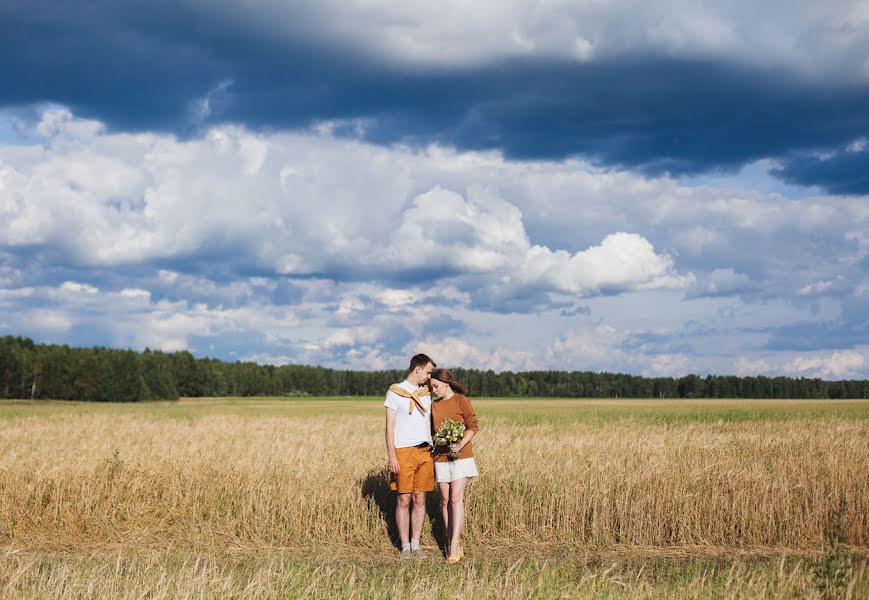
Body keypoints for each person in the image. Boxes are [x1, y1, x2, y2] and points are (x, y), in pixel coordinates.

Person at [384, 353, 436, 559]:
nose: (429, 377)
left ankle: (416, 544)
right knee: (404, 499)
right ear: (417, 369)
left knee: (420, 498)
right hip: (403, 451)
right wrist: (392, 456)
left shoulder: (427, 393)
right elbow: (389, 427)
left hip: (425, 451)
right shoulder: (395, 392)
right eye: (428, 372)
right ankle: (405, 546)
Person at [429, 368, 479, 564]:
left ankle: (455, 545)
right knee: (444, 499)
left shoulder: (461, 400)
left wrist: (460, 443)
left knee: (456, 498)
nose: (434, 390)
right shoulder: (434, 406)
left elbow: (473, 426)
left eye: (436, 386)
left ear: (446, 382)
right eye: (431, 387)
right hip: (440, 457)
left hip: (461, 456)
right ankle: (450, 543)